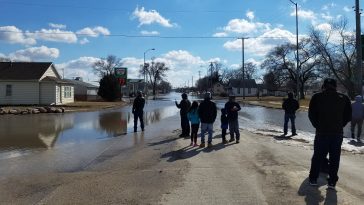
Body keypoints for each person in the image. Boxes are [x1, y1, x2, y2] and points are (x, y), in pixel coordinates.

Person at [308, 78, 351, 190]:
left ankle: (313, 179)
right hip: (337, 133)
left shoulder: (317, 97)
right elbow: (348, 116)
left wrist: (317, 125)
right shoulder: (344, 98)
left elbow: (311, 114)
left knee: (318, 156)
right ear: (335, 86)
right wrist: (340, 125)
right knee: (335, 158)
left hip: (322, 132)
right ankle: (332, 181)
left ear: (324, 86)